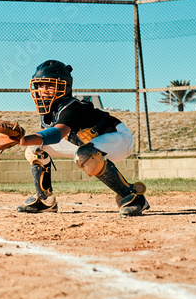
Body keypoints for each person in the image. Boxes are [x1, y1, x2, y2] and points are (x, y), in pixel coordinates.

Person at [16, 59, 148, 216]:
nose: (43, 90)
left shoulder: (70, 107)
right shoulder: (49, 110)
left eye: (49, 85)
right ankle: (44, 200)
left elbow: (57, 133)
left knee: (86, 154)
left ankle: (133, 197)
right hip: (91, 143)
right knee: (35, 148)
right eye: (40, 85)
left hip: (119, 138)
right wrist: (26, 141)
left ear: (64, 86)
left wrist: (23, 139)